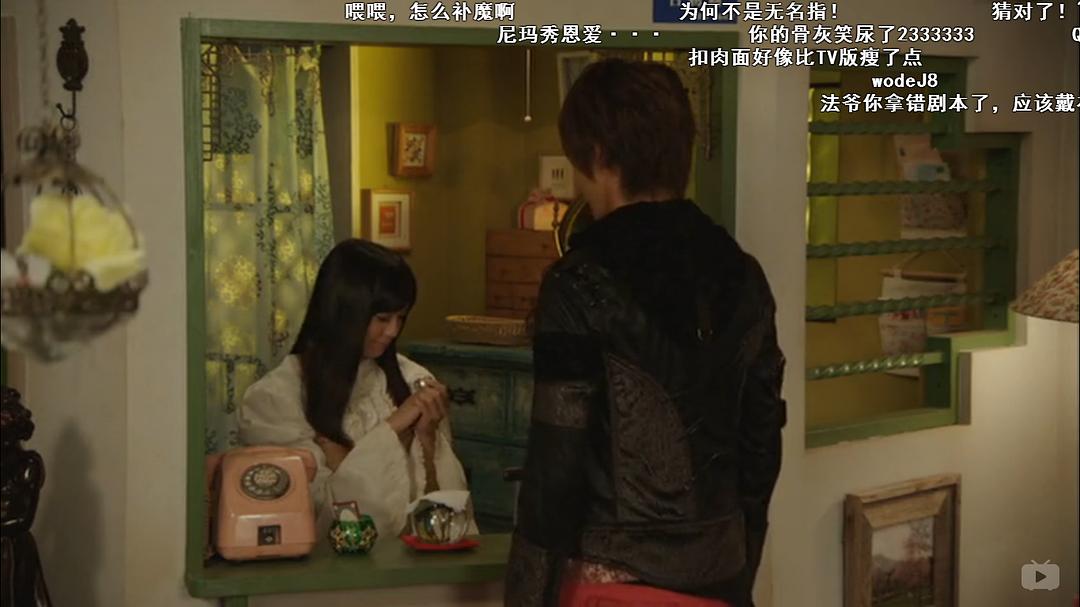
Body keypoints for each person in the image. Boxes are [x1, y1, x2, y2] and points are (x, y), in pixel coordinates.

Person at [505, 59, 786, 607]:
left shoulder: (581, 282)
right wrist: (737, 573)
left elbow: (553, 476)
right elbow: (761, 447)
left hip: (613, 588)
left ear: (598, 156)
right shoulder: (743, 274)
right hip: (722, 578)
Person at [237, 239, 473, 541]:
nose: (393, 331)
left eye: (401, 318)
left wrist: (426, 443)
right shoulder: (277, 397)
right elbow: (324, 519)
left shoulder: (414, 380)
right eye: (382, 319)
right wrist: (393, 428)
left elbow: (445, 518)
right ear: (343, 312)